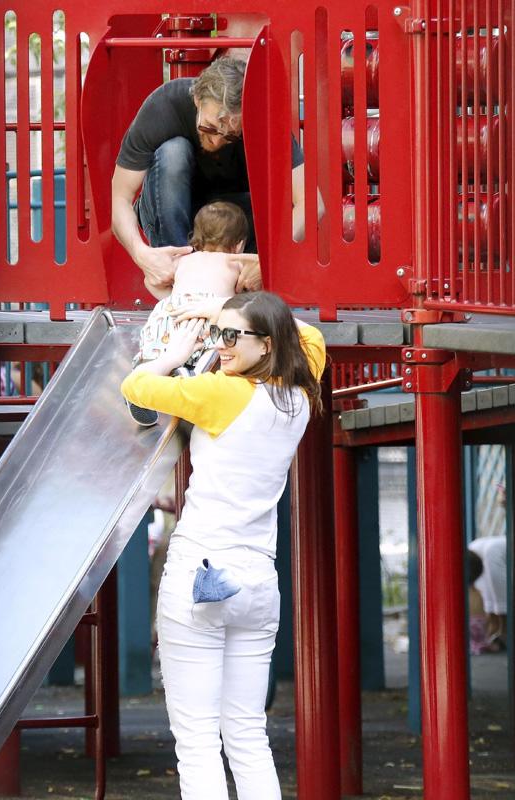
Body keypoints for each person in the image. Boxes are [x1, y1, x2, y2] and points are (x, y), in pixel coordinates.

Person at [121, 291, 326, 799]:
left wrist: (178, 348)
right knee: (247, 733)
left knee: (196, 740)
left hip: (200, 572)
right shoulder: (299, 393)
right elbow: (312, 336)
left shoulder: (220, 393)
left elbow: (137, 385)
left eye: (233, 337)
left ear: (268, 342)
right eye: (219, 335)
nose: (222, 345)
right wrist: (233, 317)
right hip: (258, 581)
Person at [112, 56, 319, 298]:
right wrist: (141, 254)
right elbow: (120, 198)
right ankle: (177, 280)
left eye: (231, 136)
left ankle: (237, 283)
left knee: (275, 202)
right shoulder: (165, 105)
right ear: (197, 100)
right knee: (173, 151)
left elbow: (313, 204)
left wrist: (268, 260)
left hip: (232, 218)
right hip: (172, 208)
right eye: (209, 128)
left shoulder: (262, 116)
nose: (217, 140)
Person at [127, 200, 249, 425]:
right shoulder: (236, 262)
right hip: (208, 312)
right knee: (214, 342)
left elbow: (150, 282)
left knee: (158, 346)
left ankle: (145, 369)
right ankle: (192, 373)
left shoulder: (184, 260)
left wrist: (172, 301)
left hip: (173, 311)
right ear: (239, 244)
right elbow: (247, 291)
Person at [468, 534, 507, 649]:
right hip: (487, 550)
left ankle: (502, 629)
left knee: (493, 550)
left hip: (494, 550)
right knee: (476, 546)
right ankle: (496, 628)